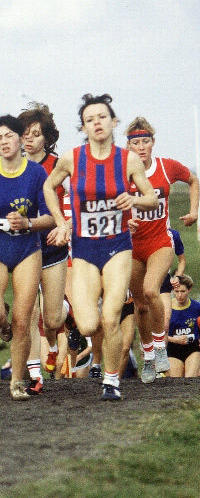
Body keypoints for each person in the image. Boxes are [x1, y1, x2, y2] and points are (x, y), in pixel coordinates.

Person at [43, 93, 157, 401]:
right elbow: (49, 186)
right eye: (90, 119)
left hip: (118, 246)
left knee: (110, 317)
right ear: (83, 127)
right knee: (90, 323)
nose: (97, 123)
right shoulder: (72, 158)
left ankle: (111, 381)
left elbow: (151, 196)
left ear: (113, 121)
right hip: (83, 250)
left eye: (102, 117)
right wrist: (62, 223)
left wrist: (133, 199)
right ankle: (85, 334)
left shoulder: (128, 159)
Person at [0, 115, 55, 400]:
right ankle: (2, 327)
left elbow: (51, 217)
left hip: (27, 250)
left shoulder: (36, 174)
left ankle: (18, 380)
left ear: (21, 139)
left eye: (9, 136)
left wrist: (27, 223)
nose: (4, 142)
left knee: (22, 318)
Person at [125, 117, 199, 383]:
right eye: (136, 142)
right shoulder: (123, 171)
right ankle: (147, 356)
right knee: (140, 306)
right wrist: (126, 221)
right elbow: (110, 201)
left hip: (160, 241)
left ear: (153, 143)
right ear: (128, 145)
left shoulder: (166, 167)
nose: (141, 147)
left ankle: (159, 346)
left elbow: (193, 180)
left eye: (146, 141)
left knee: (149, 290)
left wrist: (193, 212)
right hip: (132, 246)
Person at [18, 102, 68, 394]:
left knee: (50, 320)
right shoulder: (13, 164)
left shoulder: (59, 165)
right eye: (25, 133)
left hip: (52, 248)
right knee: (28, 311)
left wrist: (66, 227)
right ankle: (35, 376)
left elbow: (74, 202)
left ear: (47, 138)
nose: (29, 138)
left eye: (36, 134)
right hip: (23, 248)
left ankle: (56, 331)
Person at [167, 274, 200, 378]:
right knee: (176, 381)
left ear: (189, 290)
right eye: (176, 292)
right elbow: (158, 335)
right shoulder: (167, 309)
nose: (179, 295)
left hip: (192, 348)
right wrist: (175, 340)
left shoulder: (197, 307)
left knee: (190, 379)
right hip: (173, 348)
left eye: (183, 291)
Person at [159, 228, 186, 335]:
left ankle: (162, 351)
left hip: (164, 281)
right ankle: (146, 350)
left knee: (165, 325)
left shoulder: (173, 234)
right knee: (146, 322)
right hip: (143, 280)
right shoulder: (140, 230)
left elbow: (182, 261)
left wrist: (177, 277)